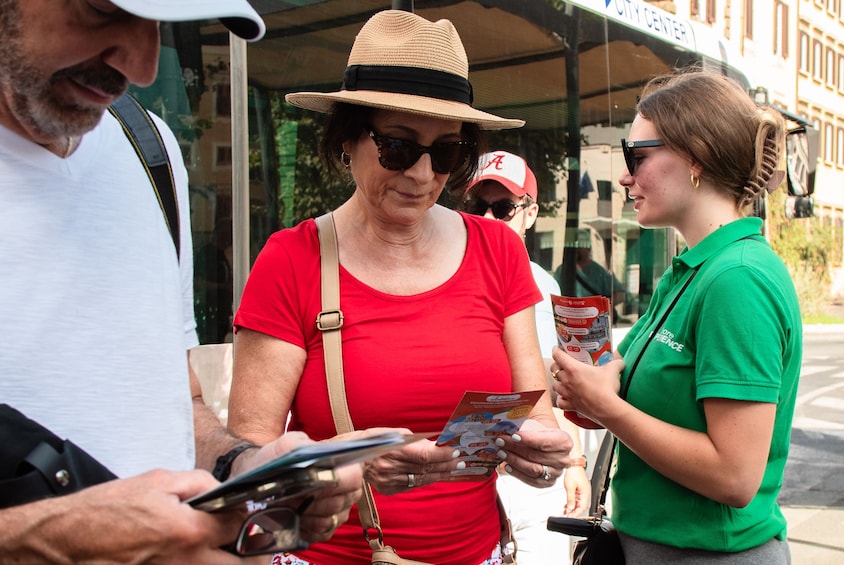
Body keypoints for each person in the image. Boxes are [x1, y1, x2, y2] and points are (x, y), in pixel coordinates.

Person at [0, 1, 362, 561]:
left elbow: (168, 399)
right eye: (105, 10)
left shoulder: (151, 150)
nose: (143, 67)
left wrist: (238, 466)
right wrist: (53, 537)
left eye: (162, 25)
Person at [227, 10, 573, 565]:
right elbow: (247, 469)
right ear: (347, 139)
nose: (421, 175)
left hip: (479, 554)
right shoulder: (292, 260)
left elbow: (532, 418)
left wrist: (540, 458)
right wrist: (343, 466)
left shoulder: (498, 250)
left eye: (447, 153)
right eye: (398, 146)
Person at [550, 69, 802, 563]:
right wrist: (589, 388)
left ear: (695, 157)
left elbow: (734, 477)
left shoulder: (738, 279)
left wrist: (609, 409)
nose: (625, 176)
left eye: (637, 157)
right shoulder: (692, 270)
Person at [464, 150, 591, 564]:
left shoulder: (543, 285)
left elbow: (556, 386)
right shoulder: (442, 279)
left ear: (530, 213)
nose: (486, 220)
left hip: (531, 477)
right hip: (467, 476)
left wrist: (574, 463)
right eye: (476, 207)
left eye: (501, 209)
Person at [554, 232, 626, 307]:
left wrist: (601, 306)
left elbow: (620, 294)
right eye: (574, 245)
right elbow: (552, 294)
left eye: (580, 245)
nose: (577, 248)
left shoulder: (599, 272)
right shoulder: (562, 270)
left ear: (589, 248)